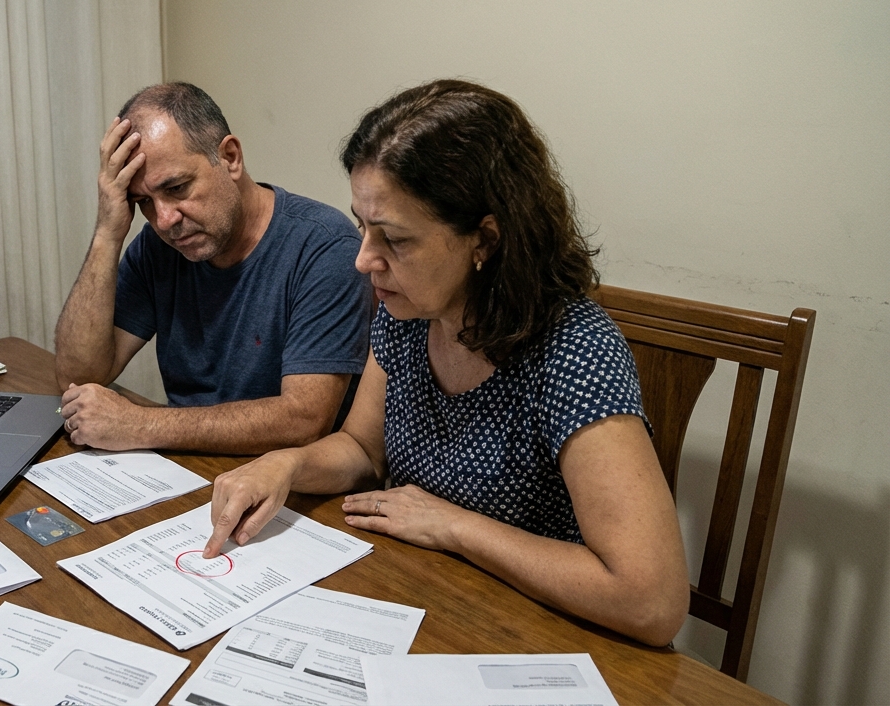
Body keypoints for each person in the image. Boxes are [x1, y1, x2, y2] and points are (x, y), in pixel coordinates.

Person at [203, 80, 690, 646]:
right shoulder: (410, 311)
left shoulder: (574, 352)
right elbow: (362, 449)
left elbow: (650, 601)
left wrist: (454, 526)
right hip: (432, 600)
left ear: (484, 239)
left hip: (542, 635)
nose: (365, 261)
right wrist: (283, 465)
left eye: (395, 240)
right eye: (362, 227)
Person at [55, 83, 371, 454]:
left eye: (176, 188)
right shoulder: (158, 246)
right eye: (143, 201)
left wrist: (140, 424)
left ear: (231, 157)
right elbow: (78, 379)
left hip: (293, 492)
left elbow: (304, 420)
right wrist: (108, 233)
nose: (165, 219)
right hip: (186, 472)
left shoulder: (324, 247)